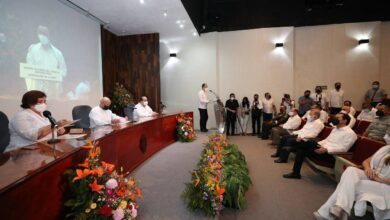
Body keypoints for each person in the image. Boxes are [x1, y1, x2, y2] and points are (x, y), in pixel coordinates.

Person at [314, 145, 390, 220]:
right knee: (351, 170)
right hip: (372, 176)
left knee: (347, 184)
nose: (387, 134)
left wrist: (380, 179)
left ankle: (333, 210)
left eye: (388, 132)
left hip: (385, 185)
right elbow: (366, 161)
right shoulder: (385, 148)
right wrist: (368, 168)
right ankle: (340, 208)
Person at [281, 113, 357, 179]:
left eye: (337, 118)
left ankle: (293, 148)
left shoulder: (350, 133)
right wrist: (318, 145)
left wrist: (326, 149)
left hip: (331, 155)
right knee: (302, 150)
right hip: (321, 150)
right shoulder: (335, 129)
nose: (334, 119)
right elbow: (326, 140)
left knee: (310, 143)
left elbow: (344, 148)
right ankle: (296, 173)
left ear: (344, 121)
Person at [26, 26, 67, 99]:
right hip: (36, 90)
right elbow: (28, 68)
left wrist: (54, 76)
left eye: (45, 34)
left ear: (49, 35)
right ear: (37, 35)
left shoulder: (57, 53)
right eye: (40, 34)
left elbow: (64, 71)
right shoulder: (33, 49)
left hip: (53, 91)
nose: (42, 36)